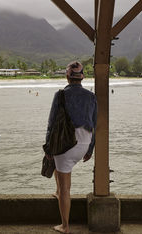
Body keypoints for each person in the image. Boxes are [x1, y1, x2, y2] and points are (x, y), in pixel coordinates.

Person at [45, 61, 97, 234]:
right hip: (84, 144)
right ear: (82, 77)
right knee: (62, 169)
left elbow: (51, 124)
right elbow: (95, 123)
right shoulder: (91, 96)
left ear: (67, 77)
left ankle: (65, 226)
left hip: (66, 144)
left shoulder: (60, 95)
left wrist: (48, 148)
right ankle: (58, 189)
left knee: (66, 187)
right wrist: (90, 149)